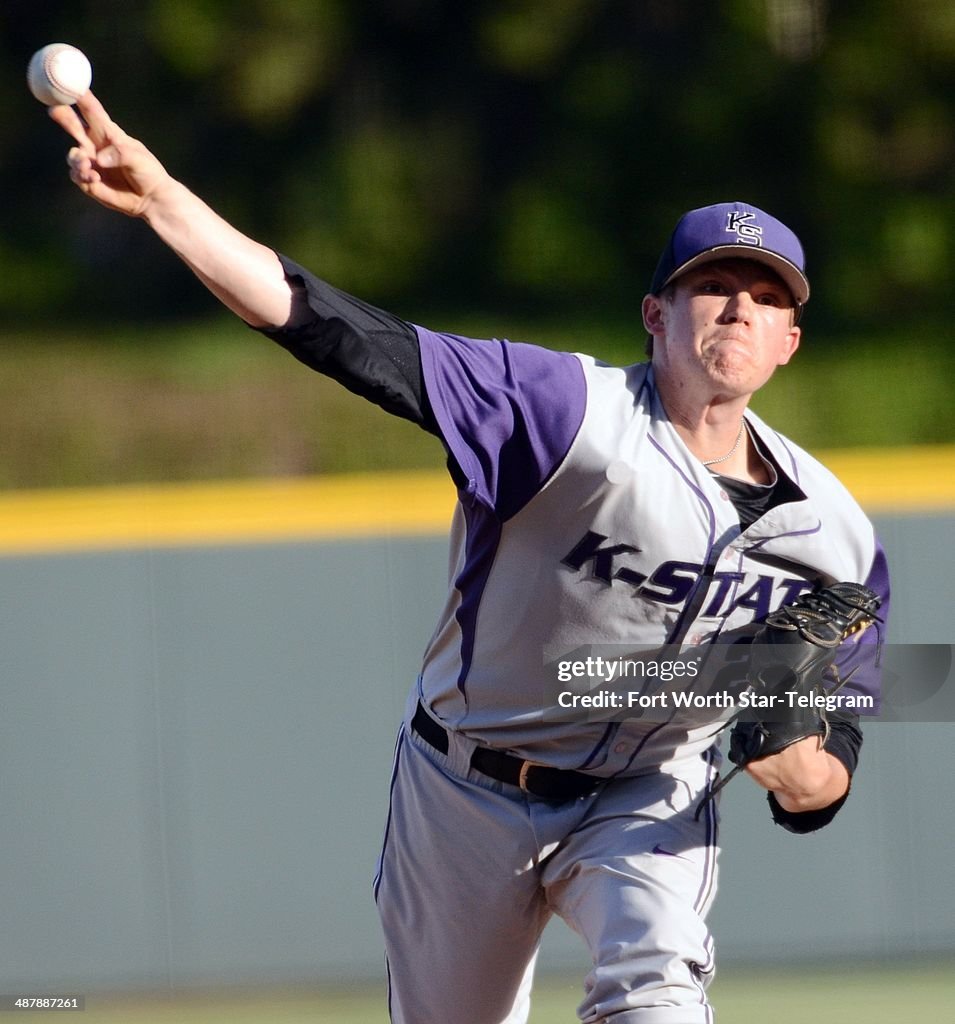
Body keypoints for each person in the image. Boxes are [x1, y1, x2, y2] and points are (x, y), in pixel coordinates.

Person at [51, 93, 889, 1024]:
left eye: (767, 298)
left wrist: (795, 763)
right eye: (713, 286)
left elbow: (827, 771)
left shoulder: (834, 538)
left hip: (650, 792)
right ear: (655, 313)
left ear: (789, 344)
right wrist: (166, 200)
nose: (739, 308)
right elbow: (341, 333)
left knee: (656, 991)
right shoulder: (564, 412)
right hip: (466, 787)